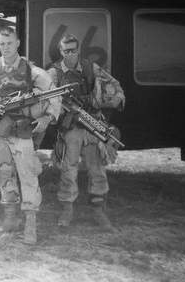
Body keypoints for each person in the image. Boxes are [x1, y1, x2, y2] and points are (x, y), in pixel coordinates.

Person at [0, 27, 60, 245]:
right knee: (4, 172)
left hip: (22, 131)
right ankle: (10, 217)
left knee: (27, 174)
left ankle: (30, 223)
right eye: (2, 44)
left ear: (18, 43)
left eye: (9, 43)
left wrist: (47, 119)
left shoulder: (32, 71)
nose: (6, 48)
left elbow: (55, 95)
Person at [47, 34, 125, 231]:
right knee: (68, 170)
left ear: (78, 49)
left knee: (97, 168)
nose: (70, 54)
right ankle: (67, 210)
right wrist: (59, 109)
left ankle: (99, 210)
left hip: (92, 125)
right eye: (66, 51)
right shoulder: (54, 73)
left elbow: (115, 86)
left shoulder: (91, 67)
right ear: (60, 51)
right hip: (71, 128)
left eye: (73, 50)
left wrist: (111, 99)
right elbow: (45, 96)